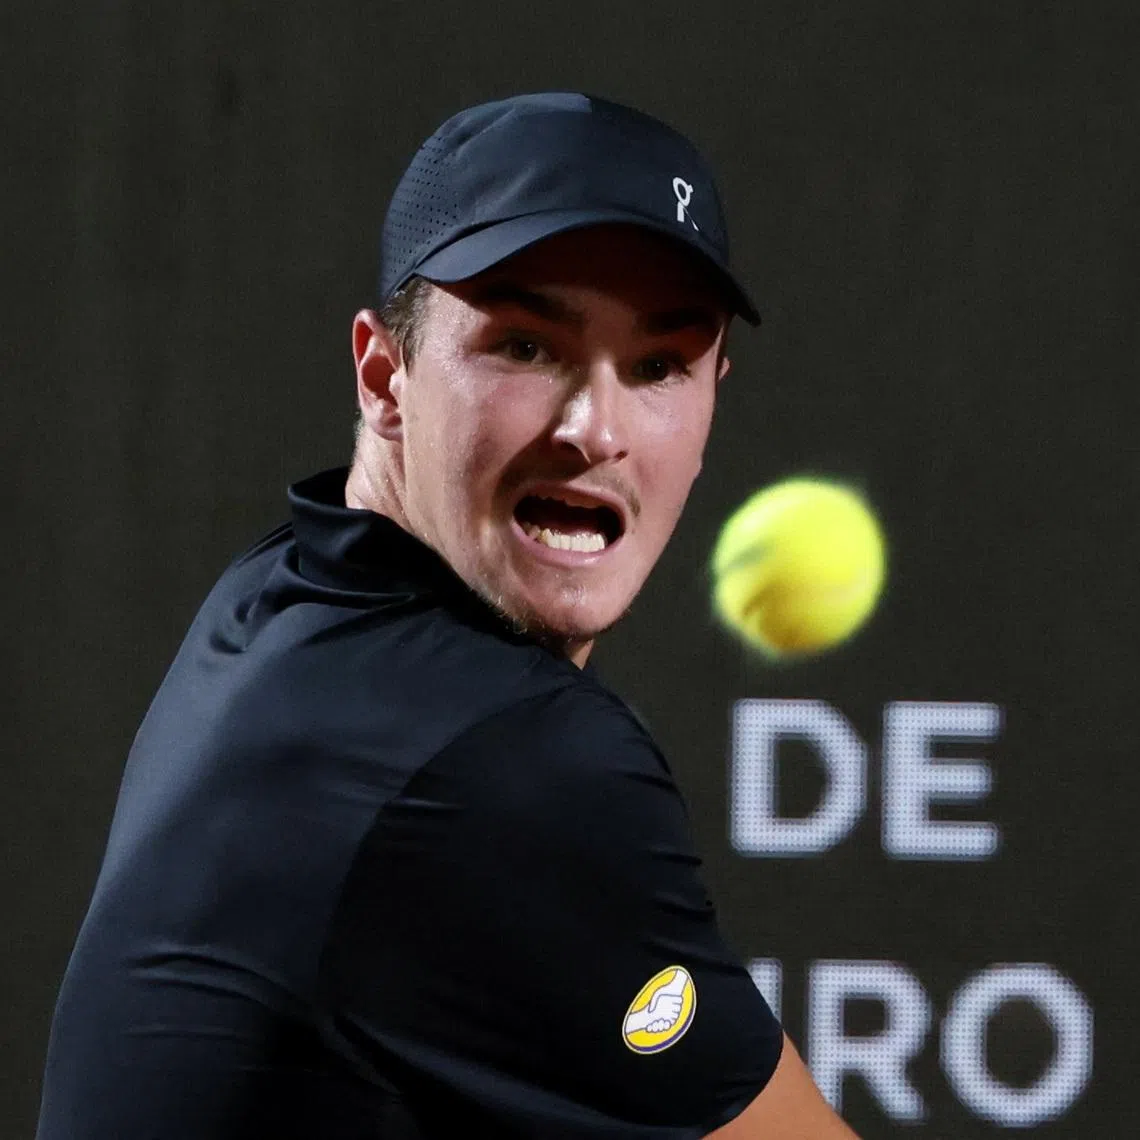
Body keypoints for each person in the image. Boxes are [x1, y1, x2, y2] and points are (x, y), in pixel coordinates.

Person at [37, 92, 861, 1138]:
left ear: (713, 399)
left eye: (659, 367)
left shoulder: (283, 593)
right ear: (385, 378)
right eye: (526, 348)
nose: (595, 429)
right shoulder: (510, 758)